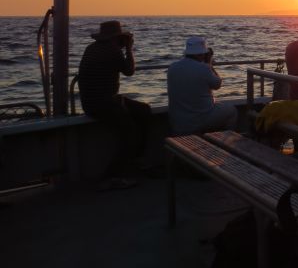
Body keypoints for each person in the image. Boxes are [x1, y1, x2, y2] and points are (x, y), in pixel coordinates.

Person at [78, 20, 151, 190]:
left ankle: (135, 160)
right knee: (130, 133)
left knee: (144, 111)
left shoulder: (92, 48)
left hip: (99, 100)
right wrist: (129, 49)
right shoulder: (112, 51)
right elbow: (129, 71)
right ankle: (113, 176)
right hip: (102, 103)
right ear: (116, 38)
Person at [167, 36, 236, 135]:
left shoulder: (172, 67)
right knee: (232, 111)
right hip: (198, 120)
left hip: (177, 122)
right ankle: (224, 143)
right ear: (201, 54)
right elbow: (217, 84)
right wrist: (209, 63)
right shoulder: (204, 68)